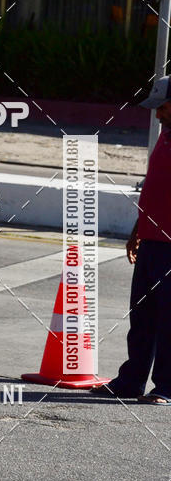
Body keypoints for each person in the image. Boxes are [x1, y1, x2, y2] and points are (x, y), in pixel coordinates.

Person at [92, 76, 171, 404]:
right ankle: (131, 380)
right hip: (152, 241)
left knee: (169, 320)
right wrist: (137, 231)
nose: (157, 115)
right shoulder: (165, 138)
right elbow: (155, 190)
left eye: (163, 108)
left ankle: (167, 387)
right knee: (142, 316)